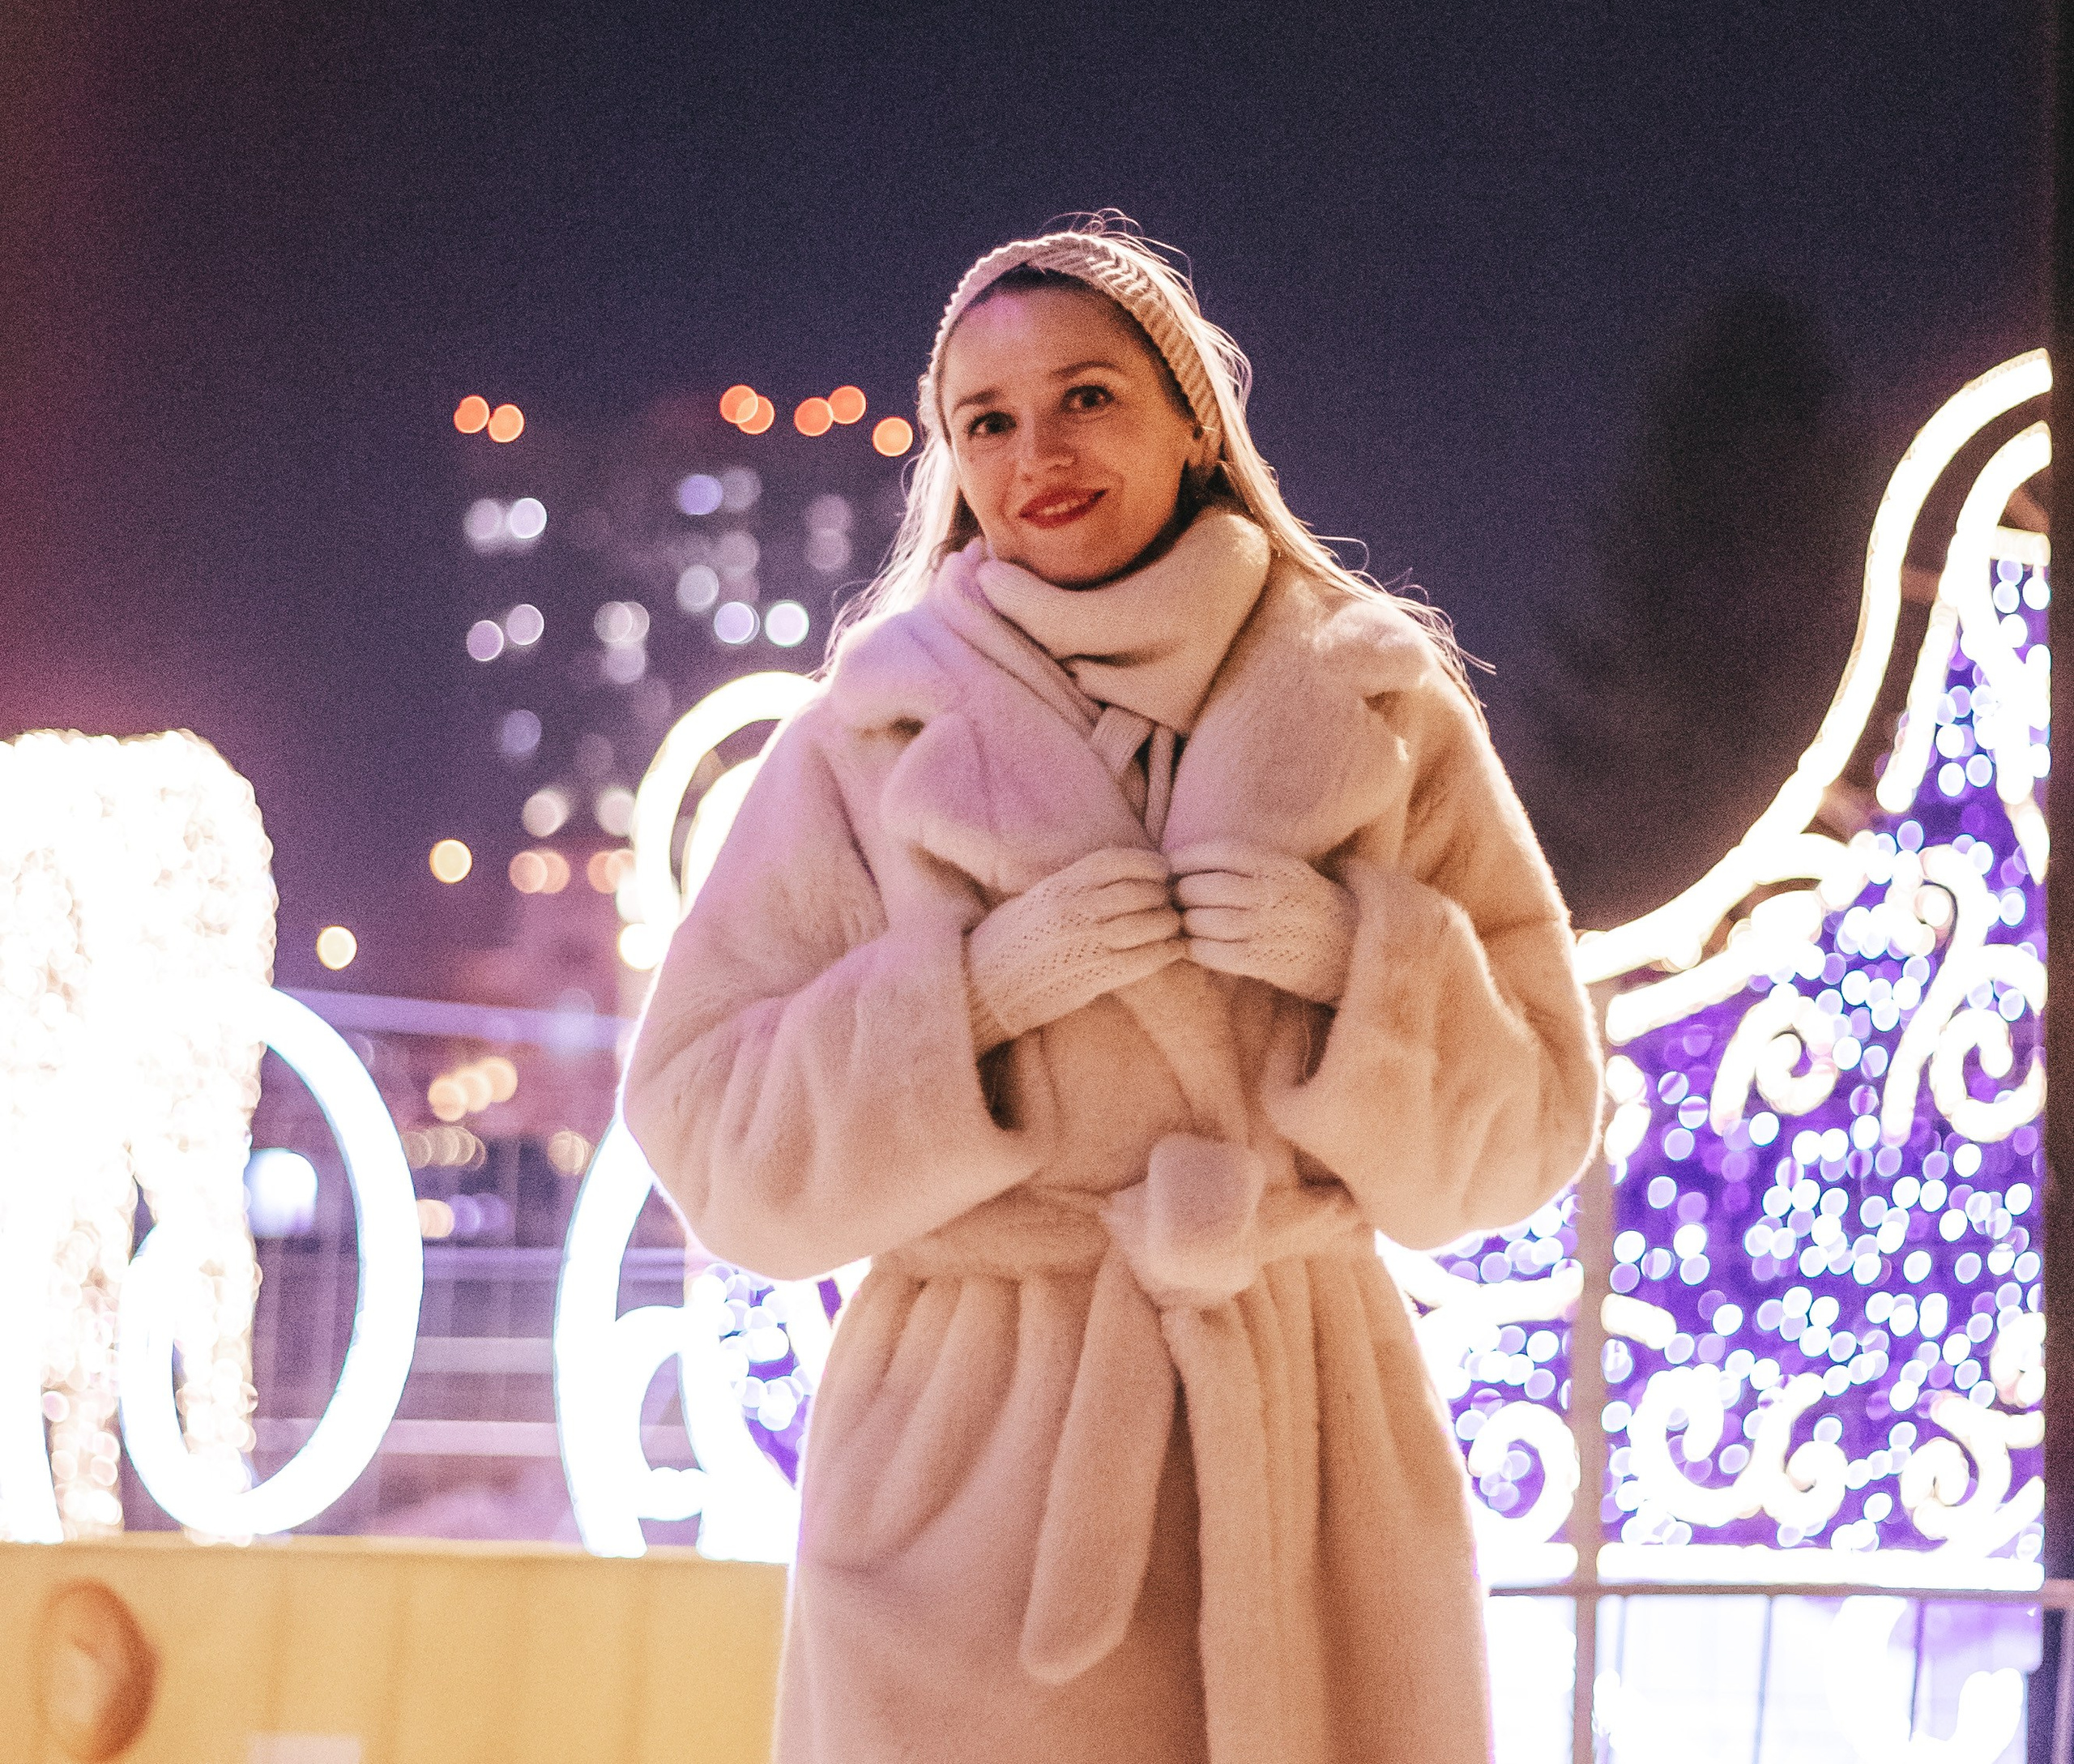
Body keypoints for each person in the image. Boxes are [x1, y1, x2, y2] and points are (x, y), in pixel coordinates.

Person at [624, 224, 1599, 1764]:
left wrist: (1364, 964)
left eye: (1087, 398)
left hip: (1303, 1450)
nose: (1037, 457)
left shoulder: (1380, 703)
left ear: (1194, 417)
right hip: (970, 1480)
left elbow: (1540, 1116)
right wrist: (967, 1002)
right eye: (986, 423)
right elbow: (703, 1130)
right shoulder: (866, 737)